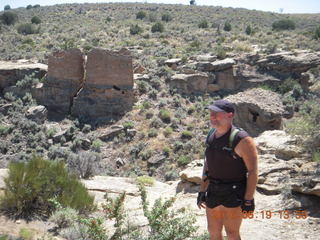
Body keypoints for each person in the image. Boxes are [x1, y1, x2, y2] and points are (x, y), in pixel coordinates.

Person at [197, 99, 258, 240]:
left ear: (230, 115)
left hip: (234, 192)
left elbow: (253, 172)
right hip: (214, 191)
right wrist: (202, 190)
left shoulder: (242, 139)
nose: (212, 116)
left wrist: (248, 199)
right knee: (213, 232)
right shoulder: (211, 135)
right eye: (211, 113)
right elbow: (208, 164)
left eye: (217, 114)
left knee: (232, 233)